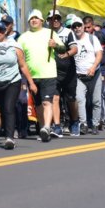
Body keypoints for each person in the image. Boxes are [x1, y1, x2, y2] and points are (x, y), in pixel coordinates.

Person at [0, 21, 36, 149]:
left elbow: (23, 66)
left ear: (5, 32)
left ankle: (9, 138)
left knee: (9, 108)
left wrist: (31, 83)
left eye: (1, 30)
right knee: (1, 110)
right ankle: (2, 133)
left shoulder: (15, 46)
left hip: (13, 81)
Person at [17, 9, 67, 142]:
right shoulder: (23, 37)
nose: (34, 20)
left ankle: (46, 127)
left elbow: (63, 49)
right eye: (31, 19)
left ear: (41, 21)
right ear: (29, 21)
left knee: (46, 102)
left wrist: (55, 45)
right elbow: (18, 57)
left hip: (48, 74)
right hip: (32, 76)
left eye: (36, 18)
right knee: (38, 105)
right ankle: (42, 129)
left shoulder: (49, 33)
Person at [47, 9, 79, 137]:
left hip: (68, 71)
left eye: (57, 18)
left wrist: (67, 54)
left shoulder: (68, 32)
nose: (55, 21)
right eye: (52, 19)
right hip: (52, 71)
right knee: (55, 98)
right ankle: (57, 126)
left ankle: (75, 121)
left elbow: (75, 48)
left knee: (71, 99)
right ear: (48, 21)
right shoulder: (45, 33)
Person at [70, 17, 103, 134]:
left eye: (79, 25)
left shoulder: (92, 38)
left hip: (94, 74)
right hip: (79, 76)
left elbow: (99, 54)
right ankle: (83, 123)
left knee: (96, 101)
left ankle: (95, 124)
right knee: (80, 99)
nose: (77, 28)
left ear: (83, 26)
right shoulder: (72, 40)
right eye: (74, 26)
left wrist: (93, 67)